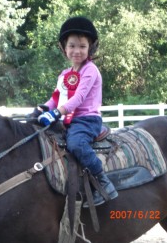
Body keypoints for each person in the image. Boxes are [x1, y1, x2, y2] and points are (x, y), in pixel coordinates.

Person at [36, 16, 118, 207]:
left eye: (82, 46)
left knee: (76, 144)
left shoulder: (90, 70)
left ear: (90, 48)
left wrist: (56, 113)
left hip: (87, 120)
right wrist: (44, 108)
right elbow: (56, 97)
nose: (76, 51)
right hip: (68, 120)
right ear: (64, 48)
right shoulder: (65, 74)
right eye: (72, 46)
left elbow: (78, 98)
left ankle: (102, 181)